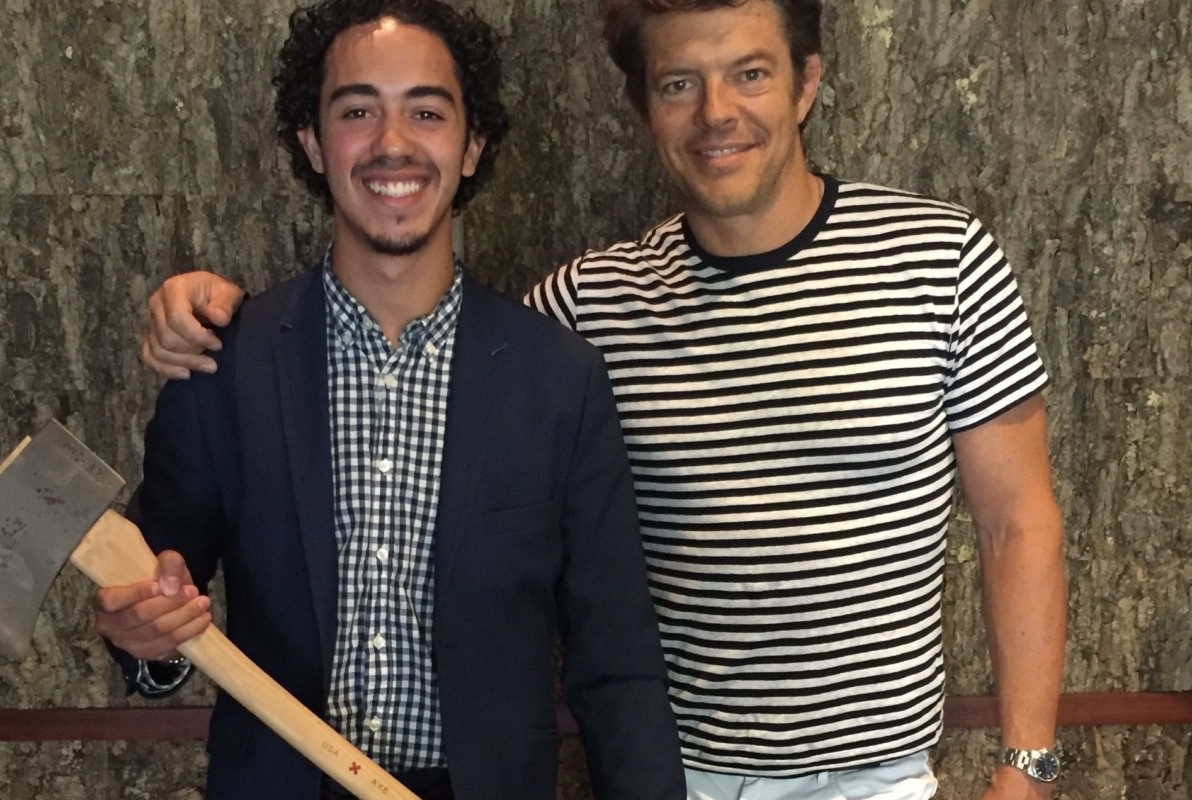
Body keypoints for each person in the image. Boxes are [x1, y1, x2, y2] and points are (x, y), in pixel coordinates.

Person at [137, 1, 1067, 798]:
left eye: (749, 73)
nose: (717, 114)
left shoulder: (939, 261)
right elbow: (150, 597)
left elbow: (1020, 523)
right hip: (681, 767)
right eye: (678, 84)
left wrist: (1026, 766)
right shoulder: (588, 310)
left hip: (874, 779)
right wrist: (203, 309)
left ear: (807, 81)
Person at [93, 1, 686, 799]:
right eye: (358, 110)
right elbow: (157, 598)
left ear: (472, 145)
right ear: (312, 140)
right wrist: (146, 638)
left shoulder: (558, 379)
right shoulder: (224, 366)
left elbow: (616, 659)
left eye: (428, 111)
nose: (392, 143)